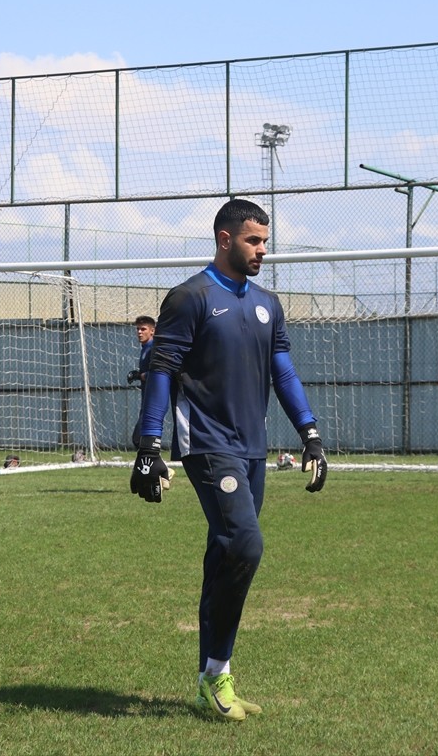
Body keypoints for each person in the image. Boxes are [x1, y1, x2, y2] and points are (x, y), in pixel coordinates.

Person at [130, 198, 328, 723]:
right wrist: (149, 445)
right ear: (225, 239)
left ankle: (209, 681)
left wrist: (309, 434)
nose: (262, 250)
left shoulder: (268, 303)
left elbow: (283, 373)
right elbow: (160, 372)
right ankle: (218, 674)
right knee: (246, 544)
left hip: (252, 448)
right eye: (253, 241)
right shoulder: (190, 297)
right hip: (207, 445)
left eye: (265, 241)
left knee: (225, 556)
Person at [127, 315, 157, 448]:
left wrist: (141, 376)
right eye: (138, 329)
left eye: (143, 329)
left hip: (155, 398)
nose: (139, 332)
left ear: (152, 331)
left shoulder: (153, 348)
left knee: (139, 438)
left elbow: (159, 372)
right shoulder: (145, 348)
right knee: (142, 438)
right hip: (146, 397)